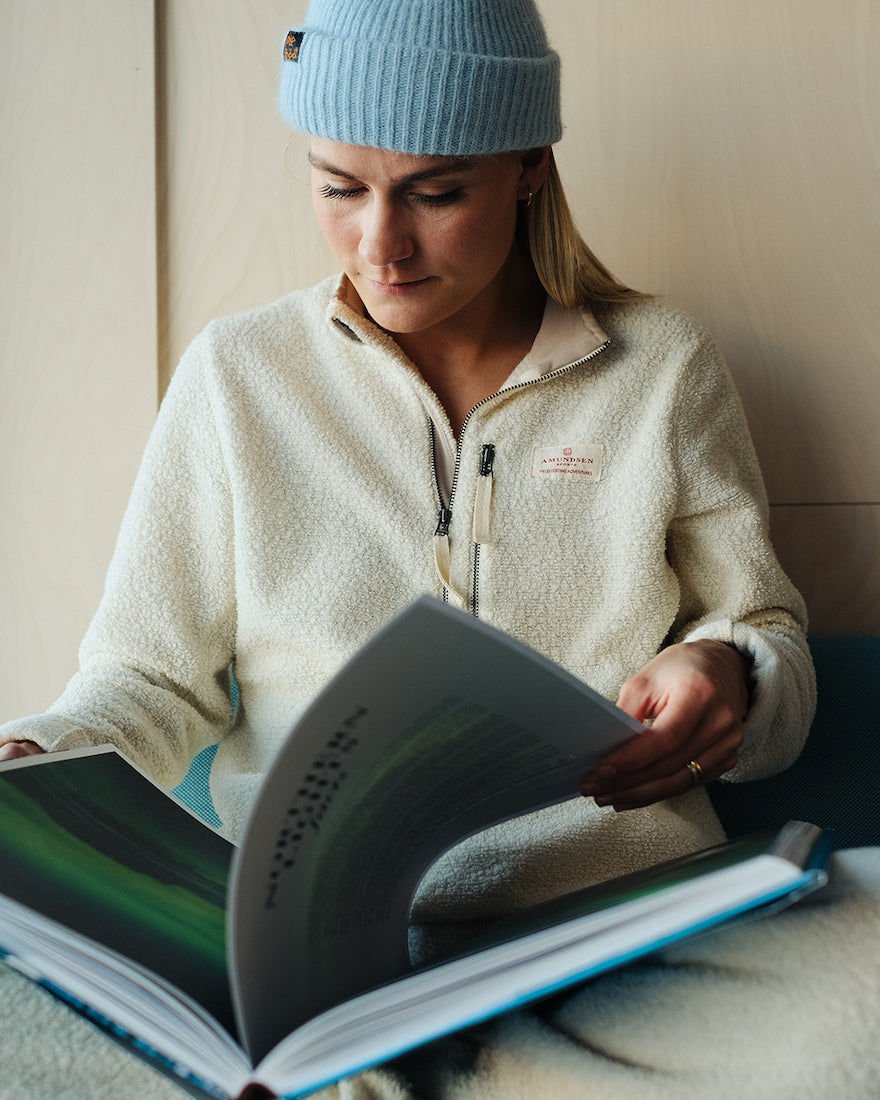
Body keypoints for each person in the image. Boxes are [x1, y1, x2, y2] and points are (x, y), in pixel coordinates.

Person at [7, 2, 877, 1097]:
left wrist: (732, 674)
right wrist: (40, 760)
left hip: (620, 940)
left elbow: (766, 633)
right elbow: (143, 679)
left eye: (435, 192)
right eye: (339, 187)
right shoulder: (237, 378)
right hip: (325, 971)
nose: (382, 245)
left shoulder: (662, 367)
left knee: (862, 1013)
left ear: (528, 165)